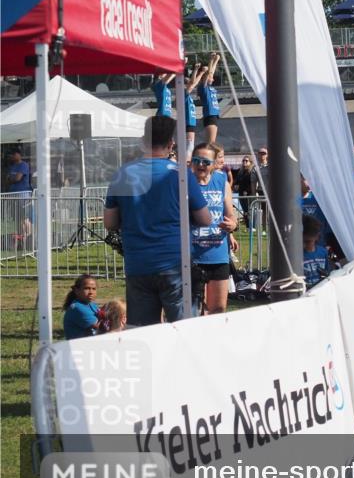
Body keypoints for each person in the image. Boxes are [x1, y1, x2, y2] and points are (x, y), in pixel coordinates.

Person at [104, 116, 211, 326]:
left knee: (143, 332)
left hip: (138, 265)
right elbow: (205, 218)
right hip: (176, 263)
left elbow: (110, 223)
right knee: (184, 331)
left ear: (144, 140)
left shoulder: (122, 174)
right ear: (171, 143)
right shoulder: (181, 173)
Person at [190, 142, 238, 315]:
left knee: (218, 310)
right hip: (192, 257)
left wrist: (232, 225)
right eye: (196, 160)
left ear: (213, 163)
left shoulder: (221, 181)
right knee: (194, 313)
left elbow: (231, 215)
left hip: (218, 255)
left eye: (205, 161)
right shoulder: (183, 182)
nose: (200, 165)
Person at [5, 148, 33, 241]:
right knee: (17, 217)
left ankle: (28, 236)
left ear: (18, 155)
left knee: (24, 216)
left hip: (23, 194)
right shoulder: (12, 167)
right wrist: (12, 179)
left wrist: (11, 179)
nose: (12, 157)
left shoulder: (24, 165)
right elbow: (7, 179)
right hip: (13, 193)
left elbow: (17, 178)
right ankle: (21, 236)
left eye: (13, 154)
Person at [62, 274, 100, 339]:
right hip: (78, 347)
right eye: (87, 288)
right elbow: (101, 327)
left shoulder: (92, 304)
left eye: (94, 289)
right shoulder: (77, 308)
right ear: (77, 290)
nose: (91, 292)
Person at [199, 53, 222, 144]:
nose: (213, 78)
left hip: (214, 115)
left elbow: (210, 72)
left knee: (211, 142)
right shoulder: (203, 87)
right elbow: (209, 73)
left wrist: (216, 60)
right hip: (210, 115)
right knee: (211, 142)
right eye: (210, 77)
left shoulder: (210, 87)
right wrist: (211, 60)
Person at [302, 214, 329, 288]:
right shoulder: (297, 256)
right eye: (302, 241)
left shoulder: (323, 252)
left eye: (308, 241)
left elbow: (327, 272)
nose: (304, 244)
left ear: (317, 237)